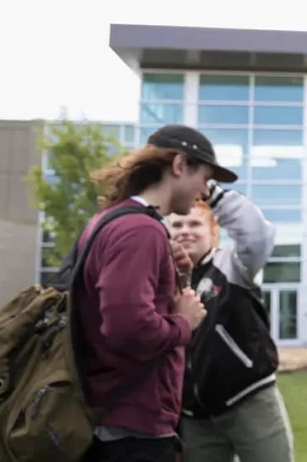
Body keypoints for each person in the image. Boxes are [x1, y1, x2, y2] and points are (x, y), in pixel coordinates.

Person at [78, 124, 237, 462]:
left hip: (112, 417)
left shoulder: (110, 220)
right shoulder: (140, 230)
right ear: (179, 166)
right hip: (132, 427)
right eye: (204, 178)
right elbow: (126, 327)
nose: (204, 191)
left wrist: (178, 275)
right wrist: (183, 323)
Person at [166, 180, 293, 462]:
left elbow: (257, 237)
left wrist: (213, 193)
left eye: (195, 225)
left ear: (213, 231)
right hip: (194, 416)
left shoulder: (234, 266)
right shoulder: (163, 280)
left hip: (249, 401)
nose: (185, 231)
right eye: (177, 226)